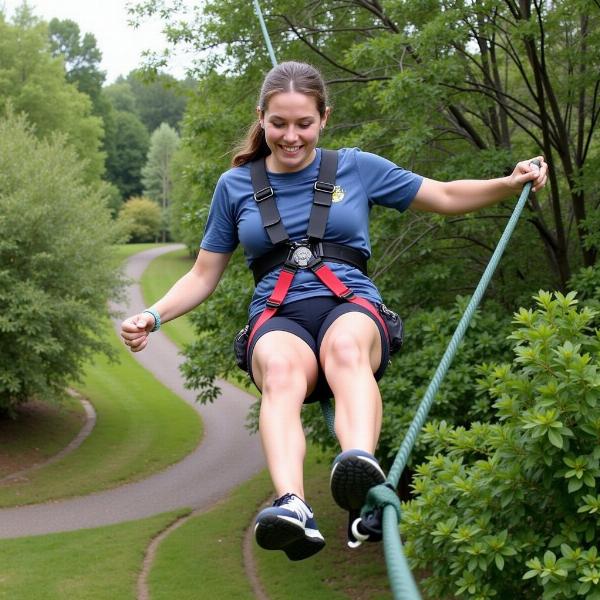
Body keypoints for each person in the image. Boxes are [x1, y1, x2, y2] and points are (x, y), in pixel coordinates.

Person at [120, 61, 548, 562]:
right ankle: (293, 505)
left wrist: (509, 182)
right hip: (279, 317)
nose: (291, 136)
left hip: (349, 305)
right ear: (261, 118)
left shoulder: (357, 167)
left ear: (324, 117)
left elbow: (445, 194)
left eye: (304, 123)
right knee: (279, 372)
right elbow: (202, 274)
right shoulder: (235, 187)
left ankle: (358, 465)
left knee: (345, 348)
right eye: (278, 123)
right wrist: (153, 315)